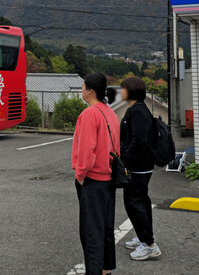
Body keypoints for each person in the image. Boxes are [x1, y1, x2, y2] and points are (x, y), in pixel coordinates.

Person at [71, 72, 119, 275]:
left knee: (91, 232)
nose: (81, 89)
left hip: (93, 180)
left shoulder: (89, 114)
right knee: (106, 228)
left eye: (83, 86)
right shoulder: (110, 112)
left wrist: (80, 176)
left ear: (90, 90)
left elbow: (86, 152)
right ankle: (105, 269)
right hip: (109, 178)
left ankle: (94, 271)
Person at [118, 77, 161, 261]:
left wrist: (124, 157)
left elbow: (139, 139)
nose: (121, 91)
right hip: (141, 166)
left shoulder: (137, 112)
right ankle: (144, 238)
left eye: (123, 88)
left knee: (134, 203)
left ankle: (150, 245)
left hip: (138, 166)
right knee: (140, 202)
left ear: (131, 90)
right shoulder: (137, 109)